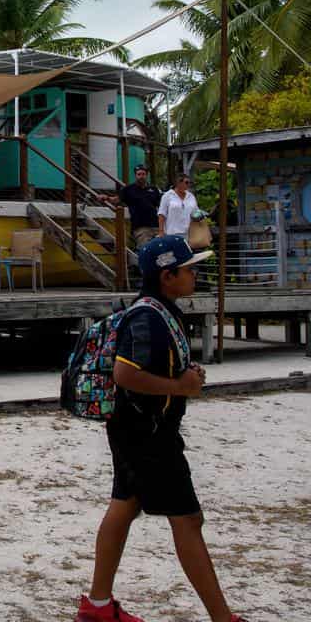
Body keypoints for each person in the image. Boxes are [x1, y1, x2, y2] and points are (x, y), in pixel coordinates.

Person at [75, 235, 248, 622]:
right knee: (187, 520)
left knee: (125, 506)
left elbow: (157, 366)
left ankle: (98, 607)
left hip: (134, 430)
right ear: (167, 275)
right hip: (148, 435)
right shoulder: (149, 317)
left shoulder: (161, 311)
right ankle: (224, 618)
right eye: (189, 269)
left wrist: (185, 376)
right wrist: (179, 386)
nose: (195, 274)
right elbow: (125, 374)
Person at [99, 164, 161, 248]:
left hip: (156, 226)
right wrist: (107, 198)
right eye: (139, 174)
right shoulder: (128, 189)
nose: (141, 176)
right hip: (141, 228)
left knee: (161, 250)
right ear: (135, 175)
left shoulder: (154, 189)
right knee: (146, 249)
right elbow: (117, 200)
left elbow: (161, 206)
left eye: (143, 174)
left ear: (146, 175)